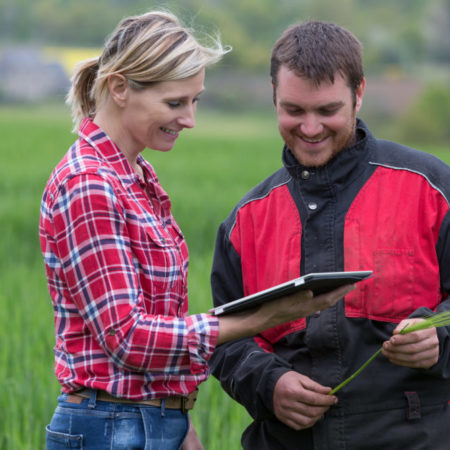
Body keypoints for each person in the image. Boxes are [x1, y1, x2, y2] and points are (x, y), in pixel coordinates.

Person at [39, 11, 354, 450]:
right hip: (110, 427)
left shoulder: (137, 176)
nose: (189, 119)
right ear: (120, 88)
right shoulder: (89, 184)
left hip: (146, 419)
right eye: (174, 103)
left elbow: (159, 317)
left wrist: (179, 420)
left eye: (195, 101)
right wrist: (258, 320)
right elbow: (127, 337)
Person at [209, 20, 450, 450]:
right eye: (294, 111)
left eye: (327, 111)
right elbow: (223, 339)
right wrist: (269, 383)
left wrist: (440, 342)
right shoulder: (246, 220)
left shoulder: (430, 188)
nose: (311, 128)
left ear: (359, 94)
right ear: (273, 96)